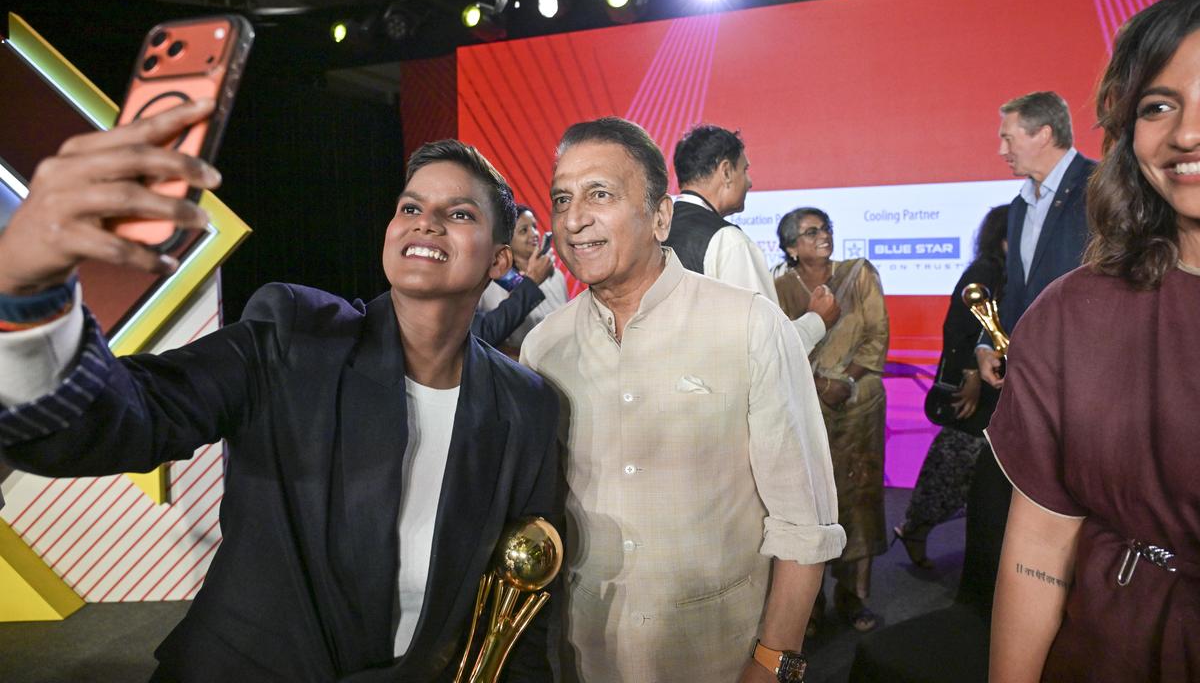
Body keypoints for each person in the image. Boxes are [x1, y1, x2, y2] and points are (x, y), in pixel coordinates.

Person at [0, 105, 559, 682]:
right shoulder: (297, 336)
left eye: (458, 213)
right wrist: (27, 304)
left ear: (499, 259)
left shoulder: (526, 406)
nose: (426, 222)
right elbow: (127, 415)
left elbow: (523, 599)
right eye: (410, 207)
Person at [521, 117, 845, 683]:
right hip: (584, 658)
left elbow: (804, 522)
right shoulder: (544, 348)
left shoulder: (748, 325)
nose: (574, 219)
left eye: (600, 194)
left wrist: (773, 664)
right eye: (562, 199)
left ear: (662, 215)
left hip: (719, 657)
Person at [987, 0, 1200, 682]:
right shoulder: (1073, 313)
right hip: (1112, 643)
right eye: (1159, 106)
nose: (1186, 133)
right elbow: (1040, 548)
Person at [963, 91, 1097, 610]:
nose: (1000, 148)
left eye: (1008, 135)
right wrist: (986, 340)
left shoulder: (1101, 187)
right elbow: (1016, 291)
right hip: (1028, 386)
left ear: (1044, 133)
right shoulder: (1021, 204)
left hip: (1085, 387)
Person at [773, 207, 889, 634]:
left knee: (859, 500)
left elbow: (877, 336)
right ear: (790, 246)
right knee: (807, 506)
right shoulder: (776, 287)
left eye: (826, 228)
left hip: (858, 407)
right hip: (803, 409)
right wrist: (817, 386)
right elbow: (774, 347)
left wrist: (845, 381)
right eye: (811, 232)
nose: (823, 236)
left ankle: (854, 596)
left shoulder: (858, 275)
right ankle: (809, 604)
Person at [893, 204, 1009, 569]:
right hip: (974, 390)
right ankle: (916, 527)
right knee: (954, 464)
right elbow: (959, 327)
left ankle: (919, 527)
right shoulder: (985, 271)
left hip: (997, 391)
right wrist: (972, 376)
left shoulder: (1008, 271)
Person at [664, 124, 838, 352]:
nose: (750, 182)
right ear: (726, 172)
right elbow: (766, 348)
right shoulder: (728, 241)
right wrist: (817, 320)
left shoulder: (655, 231)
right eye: (744, 170)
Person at [476, 204, 566, 357]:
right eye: (524, 230)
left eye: (534, 227)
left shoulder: (556, 276)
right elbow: (485, 333)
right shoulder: (491, 282)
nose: (534, 234)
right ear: (508, 241)